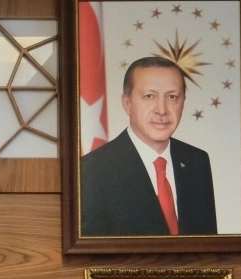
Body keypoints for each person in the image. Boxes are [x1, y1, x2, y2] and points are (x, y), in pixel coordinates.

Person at [80, 56, 218, 237]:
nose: (162, 110)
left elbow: (208, 245)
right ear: (127, 103)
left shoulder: (197, 161)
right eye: (149, 96)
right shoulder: (92, 169)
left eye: (172, 97)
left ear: (183, 102)